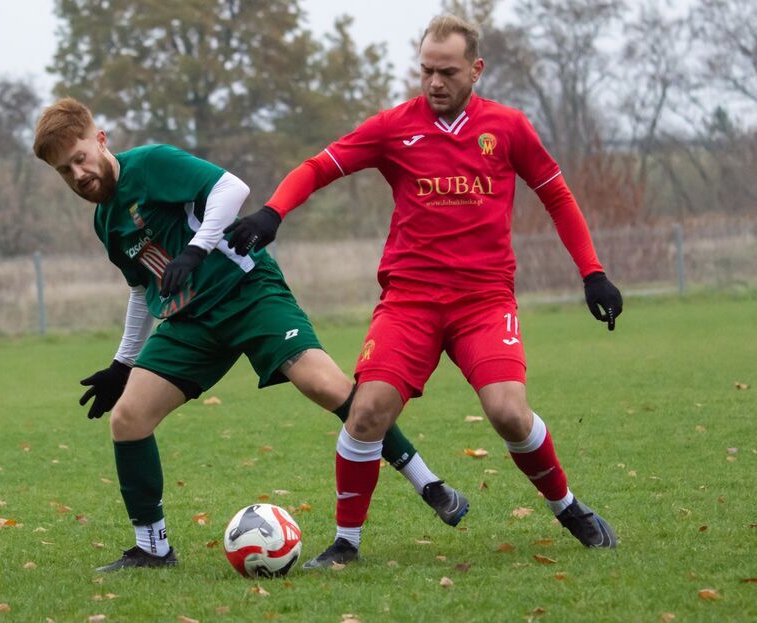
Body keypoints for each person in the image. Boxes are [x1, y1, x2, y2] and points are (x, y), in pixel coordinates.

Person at [225, 14, 623, 569]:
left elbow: (557, 196)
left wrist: (592, 271)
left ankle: (568, 507)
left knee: (509, 413)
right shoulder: (395, 127)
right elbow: (319, 167)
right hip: (410, 302)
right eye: (426, 71)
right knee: (366, 414)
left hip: (484, 302)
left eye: (448, 72)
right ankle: (346, 544)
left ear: (476, 70)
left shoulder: (507, 128)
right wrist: (273, 211)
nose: (434, 82)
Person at [32, 98, 469, 572]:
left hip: (246, 291)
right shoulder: (106, 221)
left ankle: (430, 484)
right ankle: (153, 549)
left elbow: (231, 188)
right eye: (63, 171)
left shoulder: (151, 164)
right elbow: (141, 290)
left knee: (323, 384)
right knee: (128, 419)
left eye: (79, 158)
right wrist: (123, 363)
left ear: (100, 140)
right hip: (191, 322)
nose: (77, 174)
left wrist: (197, 252)